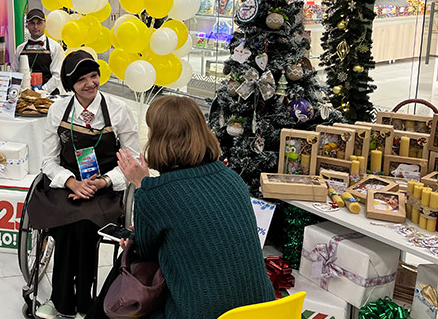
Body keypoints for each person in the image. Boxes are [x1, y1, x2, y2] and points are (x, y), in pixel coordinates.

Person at [116, 96, 274, 319]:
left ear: (157, 137)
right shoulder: (232, 178)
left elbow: (145, 253)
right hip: (264, 309)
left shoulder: (155, 194)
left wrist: (143, 186)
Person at [27, 51, 140, 319]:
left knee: (86, 225)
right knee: (65, 225)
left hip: (105, 187)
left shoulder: (118, 110)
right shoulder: (58, 110)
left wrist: (103, 182)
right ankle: (60, 301)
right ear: (70, 84)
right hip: (67, 184)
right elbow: (49, 161)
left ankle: (84, 304)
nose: (90, 83)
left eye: (94, 75)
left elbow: (133, 160)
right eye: (81, 79)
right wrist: (71, 182)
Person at [11, 8, 63, 95]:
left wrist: (41, 92)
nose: (36, 27)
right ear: (27, 25)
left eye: (39, 23)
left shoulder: (55, 47)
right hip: (25, 96)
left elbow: (57, 76)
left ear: (45, 24)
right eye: (32, 23)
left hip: (48, 95)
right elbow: (14, 72)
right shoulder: (20, 48)